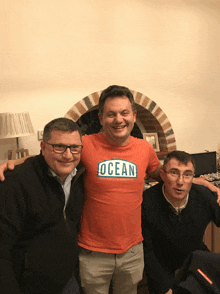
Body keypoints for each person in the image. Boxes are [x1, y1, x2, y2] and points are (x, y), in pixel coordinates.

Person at [0, 86, 219, 294]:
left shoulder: (145, 149)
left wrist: (202, 182)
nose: (118, 120)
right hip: (92, 252)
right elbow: (54, 152)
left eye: (124, 113)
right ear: (101, 118)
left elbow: (166, 174)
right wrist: (14, 163)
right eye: (111, 114)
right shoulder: (85, 144)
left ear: (133, 115)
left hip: (132, 251)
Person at [0, 118, 84, 294]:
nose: (68, 155)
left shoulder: (80, 175)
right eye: (59, 147)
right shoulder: (16, 183)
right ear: (43, 147)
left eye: (74, 147)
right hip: (29, 286)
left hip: (68, 281)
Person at [141, 150, 220, 294]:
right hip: (162, 264)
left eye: (187, 175)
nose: (180, 181)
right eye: (174, 173)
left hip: (194, 259)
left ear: (193, 177)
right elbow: (148, 251)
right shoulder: (147, 202)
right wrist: (164, 288)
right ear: (163, 175)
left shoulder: (204, 195)